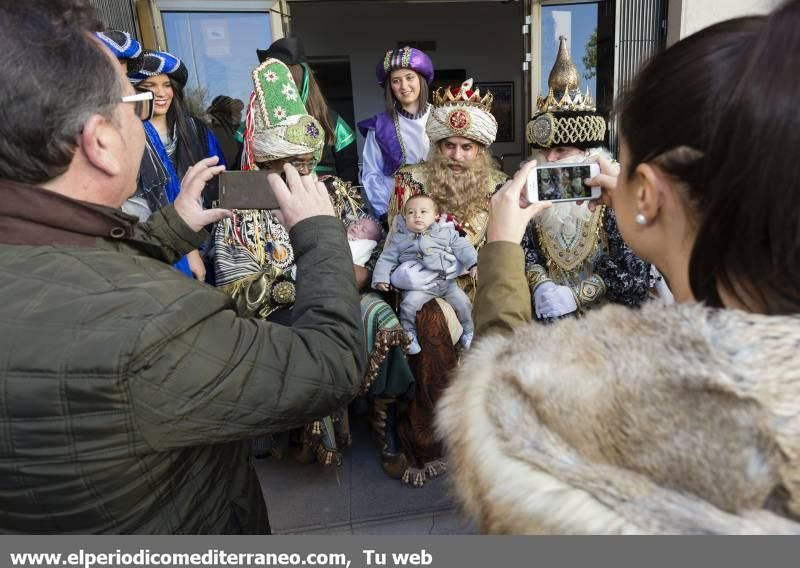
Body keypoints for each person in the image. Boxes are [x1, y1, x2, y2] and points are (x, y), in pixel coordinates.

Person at [0, 0, 365, 534]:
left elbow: (80, 274)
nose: (147, 114)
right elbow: (330, 365)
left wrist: (169, 228)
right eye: (136, 102)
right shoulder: (153, 321)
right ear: (100, 142)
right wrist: (318, 231)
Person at [438, 7, 800, 534]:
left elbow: (499, 413)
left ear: (647, 192)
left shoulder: (592, 400)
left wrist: (501, 248)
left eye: (618, 163)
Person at [213, 56, 412, 467]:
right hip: (279, 307)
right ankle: (307, 431)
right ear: (267, 164)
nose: (304, 171)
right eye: (292, 164)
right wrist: (295, 285)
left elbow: (369, 240)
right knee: (305, 331)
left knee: (384, 320)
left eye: (307, 161)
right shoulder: (241, 204)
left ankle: (385, 422)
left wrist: (364, 271)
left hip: (343, 292)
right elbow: (233, 286)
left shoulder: (334, 189)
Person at [382, 79, 507, 486]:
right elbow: (396, 240)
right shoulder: (411, 179)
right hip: (427, 285)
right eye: (449, 145)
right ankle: (427, 441)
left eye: (466, 147)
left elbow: (504, 246)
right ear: (436, 146)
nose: (456, 156)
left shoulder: (498, 186)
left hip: (482, 285)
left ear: (481, 151)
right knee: (430, 322)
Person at [521, 36, 650, 321]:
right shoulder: (532, 187)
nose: (550, 160)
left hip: (607, 327)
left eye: (561, 150)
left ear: (586, 152)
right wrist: (541, 283)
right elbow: (526, 249)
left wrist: (577, 294)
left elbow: (634, 273)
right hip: (549, 324)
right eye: (544, 151)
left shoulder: (613, 191)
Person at [130, 50, 227, 280]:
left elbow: (220, 183)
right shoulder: (128, 134)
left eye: (167, 85)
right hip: (155, 244)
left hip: (207, 239)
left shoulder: (196, 131)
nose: (161, 93)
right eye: (150, 85)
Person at [373, 194, 478, 354]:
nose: (417, 216)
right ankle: (409, 334)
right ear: (405, 217)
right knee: (408, 305)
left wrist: (473, 264)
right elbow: (386, 258)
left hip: (445, 283)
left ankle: (469, 332)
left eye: (423, 212)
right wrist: (381, 278)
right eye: (411, 212)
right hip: (418, 287)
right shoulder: (400, 238)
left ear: (435, 216)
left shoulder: (445, 232)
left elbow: (463, 247)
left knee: (463, 303)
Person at [257, 38, 359, 184]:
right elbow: (349, 171)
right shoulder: (330, 118)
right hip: (323, 196)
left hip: (284, 194)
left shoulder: (256, 123)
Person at [358, 47, 434, 219]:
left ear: (421, 79)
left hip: (439, 204)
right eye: (396, 81)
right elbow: (371, 174)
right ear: (390, 86)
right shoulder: (379, 125)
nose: (404, 86)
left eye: (409, 78)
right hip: (398, 207)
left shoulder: (442, 117)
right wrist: (386, 213)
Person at [206, 95, 244, 168]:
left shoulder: (238, 131)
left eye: (239, 112)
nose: (239, 115)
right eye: (235, 112)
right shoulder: (212, 131)